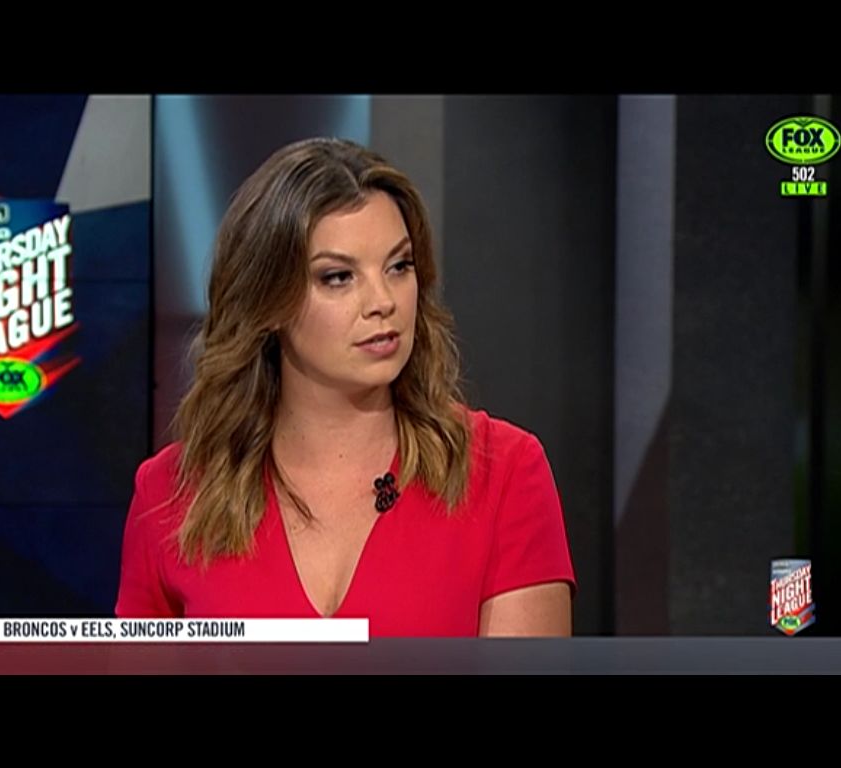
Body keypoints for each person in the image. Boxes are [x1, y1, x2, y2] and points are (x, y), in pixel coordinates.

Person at [116, 137, 576, 636]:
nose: (383, 302)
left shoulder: (503, 473)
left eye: (399, 266)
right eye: (338, 277)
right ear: (267, 302)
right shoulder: (170, 495)